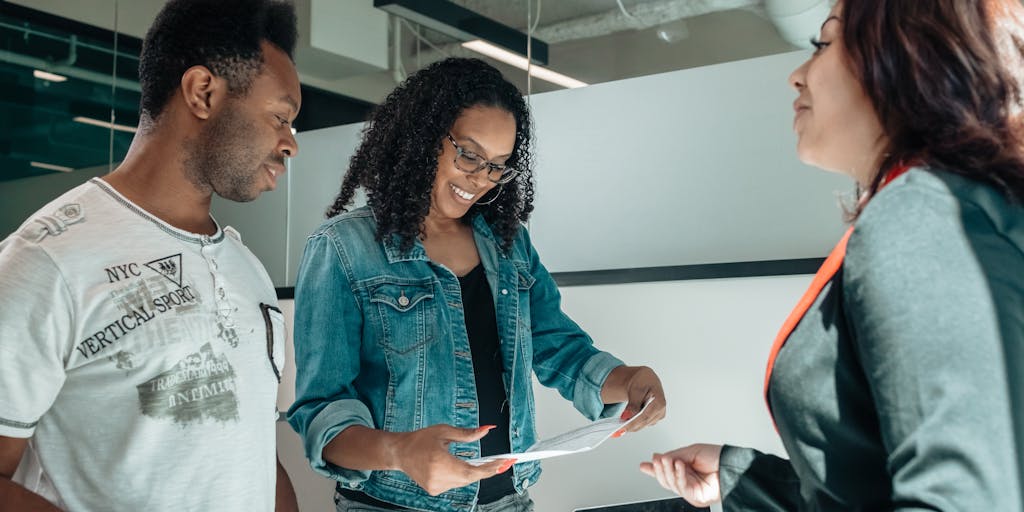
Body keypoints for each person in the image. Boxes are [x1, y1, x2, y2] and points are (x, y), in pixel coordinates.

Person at [640, 0, 1024, 510]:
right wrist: (738, 475)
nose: (796, 77)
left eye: (823, 44)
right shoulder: (952, 207)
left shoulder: (919, 216)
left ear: (906, 55)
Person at [288, 57, 667, 511]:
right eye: (469, 154)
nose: (481, 180)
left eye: (497, 166)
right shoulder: (343, 248)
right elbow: (321, 412)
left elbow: (559, 349)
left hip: (509, 500)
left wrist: (629, 380)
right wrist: (399, 451)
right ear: (424, 138)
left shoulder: (508, 246)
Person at [0, 1, 303, 510]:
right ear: (203, 92)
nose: (290, 144)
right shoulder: (47, 259)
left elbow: (248, 449)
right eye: (280, 117)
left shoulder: (244, 267)